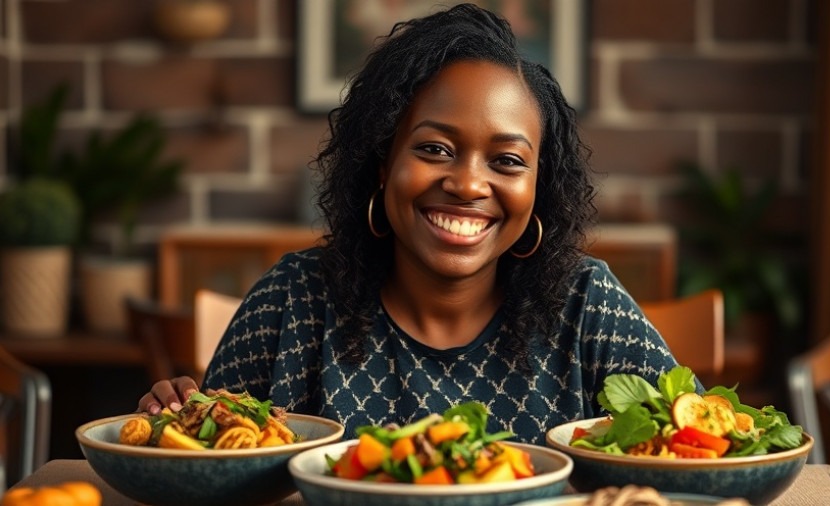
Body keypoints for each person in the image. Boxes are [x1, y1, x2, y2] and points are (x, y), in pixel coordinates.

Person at [139, 3, 686, 445]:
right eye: (434, 148)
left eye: (508, 160)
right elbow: (204, 458)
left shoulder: (587, 303)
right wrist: (173, 418)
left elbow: (705, 446)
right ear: (383, 163)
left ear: (539, 187)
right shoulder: (294, 300)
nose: (469, 185)